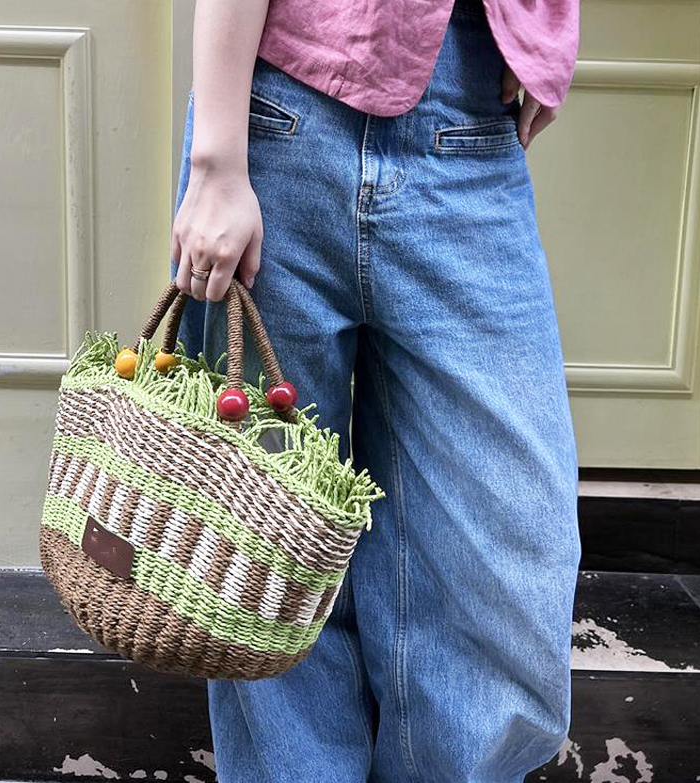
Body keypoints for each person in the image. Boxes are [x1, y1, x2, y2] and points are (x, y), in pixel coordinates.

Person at [169, 0, 582, 779]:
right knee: (266, 557)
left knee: (514, 554)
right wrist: (217, 161)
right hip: (278, 120)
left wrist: (540, 33)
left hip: (473, 120)